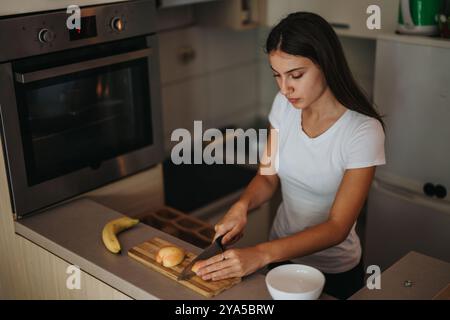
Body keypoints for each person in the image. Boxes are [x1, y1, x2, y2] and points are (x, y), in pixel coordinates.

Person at [193, 12, 386, 300]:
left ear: (326, 64)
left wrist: (259, 254)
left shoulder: (363, 131)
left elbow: (337, 228)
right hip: (279, 260)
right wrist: (242, 206)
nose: (285, 89)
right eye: (278, 76)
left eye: (296, 75)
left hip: (334, 273)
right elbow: (268, 177)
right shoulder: (284, 106)